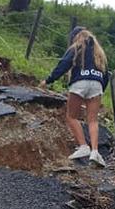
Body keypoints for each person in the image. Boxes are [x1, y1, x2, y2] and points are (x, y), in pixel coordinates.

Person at [40, 26, 109, 167]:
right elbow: (106, 74)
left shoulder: (76, 47)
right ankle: (95, 152)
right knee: (92, 120)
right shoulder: (99, 52)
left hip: (79, 83)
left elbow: (64, 65)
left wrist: (48, 80)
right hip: (97, 84)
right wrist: (101, 87)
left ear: (75, 37)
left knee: (72, 116)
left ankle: (83, 147)